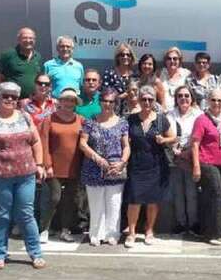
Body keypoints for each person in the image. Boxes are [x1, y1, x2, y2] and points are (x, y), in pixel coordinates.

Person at [0, 82, 46, 269]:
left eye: (13, 97)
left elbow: (36, 141)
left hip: (26, 175)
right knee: (0, 215)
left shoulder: (25, 117)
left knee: (26, 214)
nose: (9, 99)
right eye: (5, 96)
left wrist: (39, 164)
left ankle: (35, 253)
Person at [124, 86, 176, 247]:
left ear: (154, 101)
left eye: (150, 99)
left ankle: (149, 231)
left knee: (153, 201)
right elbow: (125, 140)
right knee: (134, 200)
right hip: (136, 163)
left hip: (156, 164)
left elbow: (173, 137)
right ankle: (131, 233)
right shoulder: (130, 119)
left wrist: (164, 140)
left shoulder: (161, 119)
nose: (147, 102)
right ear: (139, 100)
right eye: (144, 99)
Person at [78, 88, 131, 247]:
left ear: (116, 103)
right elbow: (82, 143)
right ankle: (96, 233)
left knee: (114, 203)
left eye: (111, 101)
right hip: (93, 167)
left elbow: (126, 146)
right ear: (100, 101)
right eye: (105, 101)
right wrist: (96, 158)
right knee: (95, 203)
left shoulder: (123, 123)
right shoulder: (90, 121)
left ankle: (112, 234)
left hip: (115, 168)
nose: (107, 104)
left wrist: (122, 162)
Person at [191, 89, 221, 245]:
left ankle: (205, 231)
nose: (217, 103)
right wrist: (196, 167)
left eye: (220, 100)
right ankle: (216, 233)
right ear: (208, 101)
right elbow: (195, 143)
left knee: (210, 197)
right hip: (207, 162)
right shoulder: (201, 119)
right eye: (214, 100)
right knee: (218, 195)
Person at [38, 88, 84, 244]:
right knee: (54, 198)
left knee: (70, 200)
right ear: (60, 101)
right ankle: (44, 229)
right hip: (54, 167)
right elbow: (43, 143)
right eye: (66, 99)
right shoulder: (49, 119)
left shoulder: (81, 120)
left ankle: (65, 230)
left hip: (74, 167)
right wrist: (47, 164)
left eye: (72, 100)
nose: (69, 103)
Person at [168, 85, 203, 235]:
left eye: (186, 95)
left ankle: (194, 223)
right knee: (178, 192)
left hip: (191, 158)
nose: (183, 98)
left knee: (192, 192)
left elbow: (201, 136)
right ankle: (181, 223)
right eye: (180, 96)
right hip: (174, 158)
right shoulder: (169, 115)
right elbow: (166, 134)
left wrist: (188, 152)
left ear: (192, 98)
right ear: (176, 99)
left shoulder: (198, 115)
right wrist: (174, 149)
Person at [0, 27, 42, 99]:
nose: (28, 40)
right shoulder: (8, 55)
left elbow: (39, 77)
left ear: (35, 40)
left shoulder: (38, 57)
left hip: (33, 101)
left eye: (31, 38)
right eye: (25, 38)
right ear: (18, 39)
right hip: (13, 100)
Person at [102, 42, 136, 115]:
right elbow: (104, 96)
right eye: (122, 55)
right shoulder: (109, 74)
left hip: (132, 113)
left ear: (131, 57)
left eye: (128, 55)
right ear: (117, 57)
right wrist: (122, 96)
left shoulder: (135, 76)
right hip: (114, 113)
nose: (125, 57)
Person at [160, 47, 191, 112]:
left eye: (175, 59)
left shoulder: (186, 74)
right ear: (165, 61)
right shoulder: (160, 74)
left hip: (181, 111)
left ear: (179, 61)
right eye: (169, 59)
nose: (172, 61)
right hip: (164, 111)